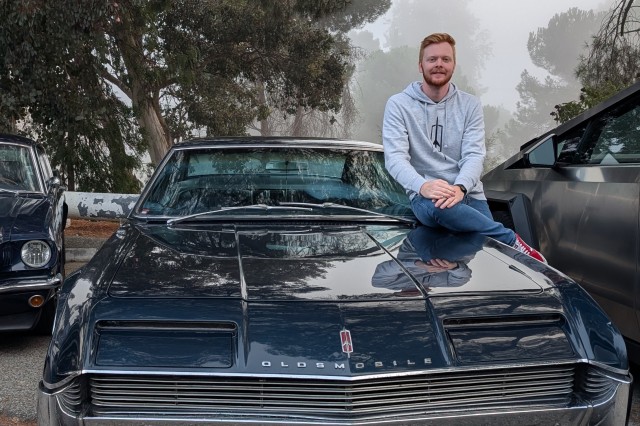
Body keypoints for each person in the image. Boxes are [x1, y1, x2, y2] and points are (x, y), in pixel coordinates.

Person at [382, 32, 546, 263]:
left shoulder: (470, 104)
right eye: (432, 59)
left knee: (490, 262)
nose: (439, 64)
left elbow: (474, 154)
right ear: (421, 66)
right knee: (443, 208)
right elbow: (395, 158)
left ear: (453, 65)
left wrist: (460, 188)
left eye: (445, 59)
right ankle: (511, 239)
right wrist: (423, 186)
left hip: (469, 195)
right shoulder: (398, 104)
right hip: (428, 198)